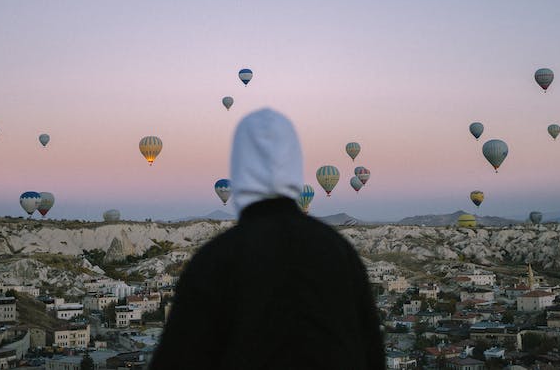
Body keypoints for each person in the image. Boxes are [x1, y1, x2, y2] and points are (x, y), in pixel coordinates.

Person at [149, 108, 385, 370]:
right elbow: (373, 352)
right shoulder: (340, 252)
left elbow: (177, 357)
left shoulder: (213, 260)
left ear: (239, 167)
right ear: (295, 163)